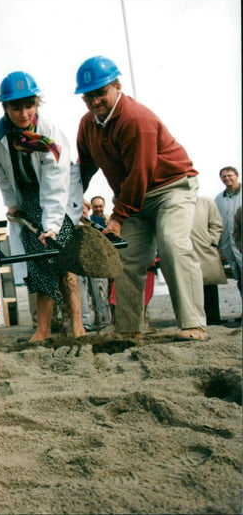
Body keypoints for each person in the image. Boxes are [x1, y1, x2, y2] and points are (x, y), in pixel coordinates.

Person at [75, 56, 206, 340]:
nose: (95, 101)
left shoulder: (137, 119)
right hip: (133, 197)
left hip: (171, 189)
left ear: (117, 87)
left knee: (172, 245)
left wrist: (118, 218)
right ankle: (128, 328)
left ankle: (193, 323)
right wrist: (71, 207)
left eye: (100, 93)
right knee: (126, 256)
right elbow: (83, 170)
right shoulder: (87, 125)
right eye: (88, 96)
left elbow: (139, 174)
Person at [0, 70, 85, 343]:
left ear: (37, 104)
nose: (24, 113)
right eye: (16, 107)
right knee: (38, 262)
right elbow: (1, 173)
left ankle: (78, 326)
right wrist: (13, 204)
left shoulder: (48, 133)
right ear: (5, 106)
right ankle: (43, 329)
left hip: (58, 195)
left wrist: (52, 226)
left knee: (61, 256)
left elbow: (56, 181)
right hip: (27, 198)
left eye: (29, 105)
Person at [190, 197, 228, 325]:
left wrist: (212, 241)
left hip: (204, 247)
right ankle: (194, 320)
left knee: (209, 284)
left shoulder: (207, 203)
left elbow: (216, 224)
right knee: (190, 285)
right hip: (185, 248)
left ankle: (213, 318)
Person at [79, 202, 112, 332]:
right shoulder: (71, 227)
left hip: (97, 262)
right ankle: (85, 323)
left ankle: (105, 322)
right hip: (79, 264)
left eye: (84, 210)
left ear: (88, 210)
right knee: (82, 294)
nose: (82, 213)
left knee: (101, 293)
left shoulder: (97, 223)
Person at [214, 167, 242, 297]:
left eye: (229, 175)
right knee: (238, 275)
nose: (227, 178)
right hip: (227, 244)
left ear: (236, 176)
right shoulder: (219, 199)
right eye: (224, 176)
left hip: (240, 240)